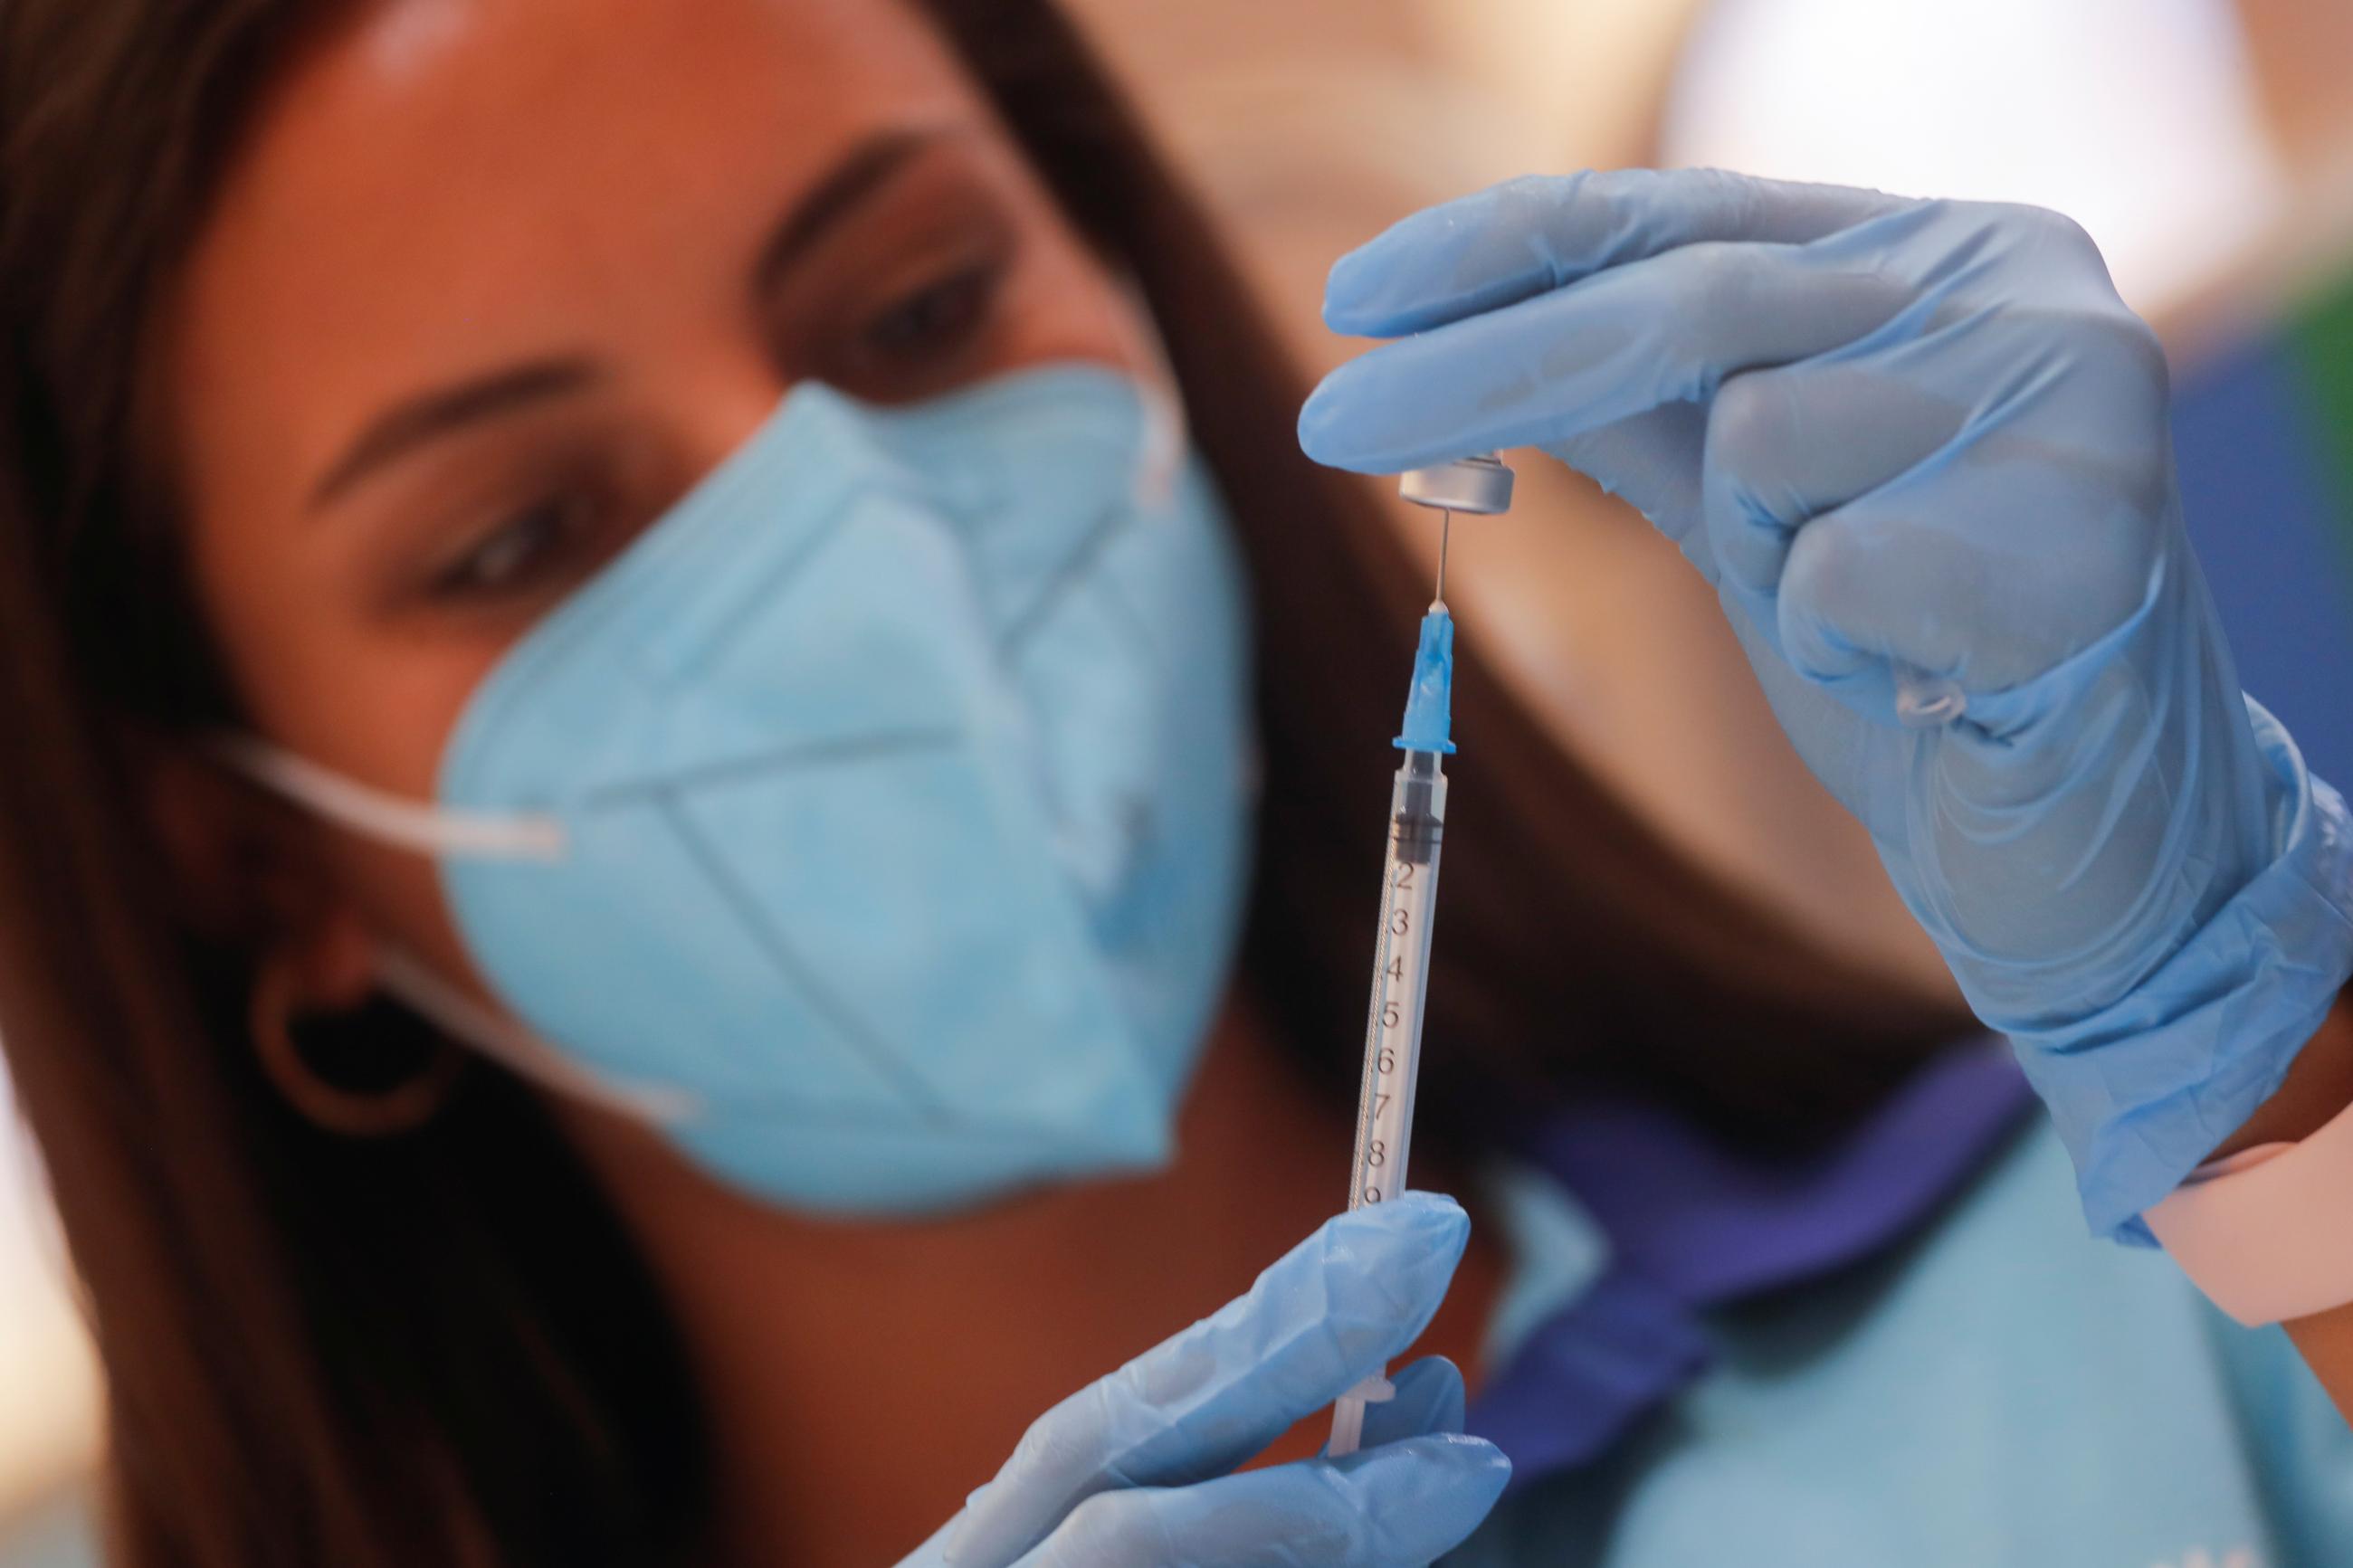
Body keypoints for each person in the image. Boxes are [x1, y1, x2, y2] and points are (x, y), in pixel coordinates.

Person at [0, 1, 2348, 1563]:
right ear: (245, 853)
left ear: (1147, 315)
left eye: (918, 314)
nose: (869, 549)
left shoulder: (2136, 1308)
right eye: (527, 535)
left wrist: (2281, 1107)